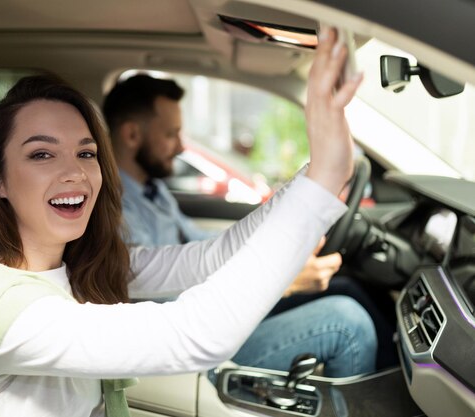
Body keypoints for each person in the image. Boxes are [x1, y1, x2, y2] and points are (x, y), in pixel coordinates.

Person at [0, 29, 374, 417]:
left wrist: (318, 174)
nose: (75, 172)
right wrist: (325, 179)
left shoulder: (80, 267)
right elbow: (194, 335)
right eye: (42, 154)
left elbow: (211, 258)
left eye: (86, 153)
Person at [103, 73, 397, 370]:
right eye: (171, 134)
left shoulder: (153, 190)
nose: (181, 147)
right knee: (348, 322)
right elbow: (160, 301)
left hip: (219, 311)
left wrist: (286, 248)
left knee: (346, 288)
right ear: (131, 136)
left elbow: (202, 246)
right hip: (195, 345)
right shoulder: (115, 214)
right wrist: (280, 282)